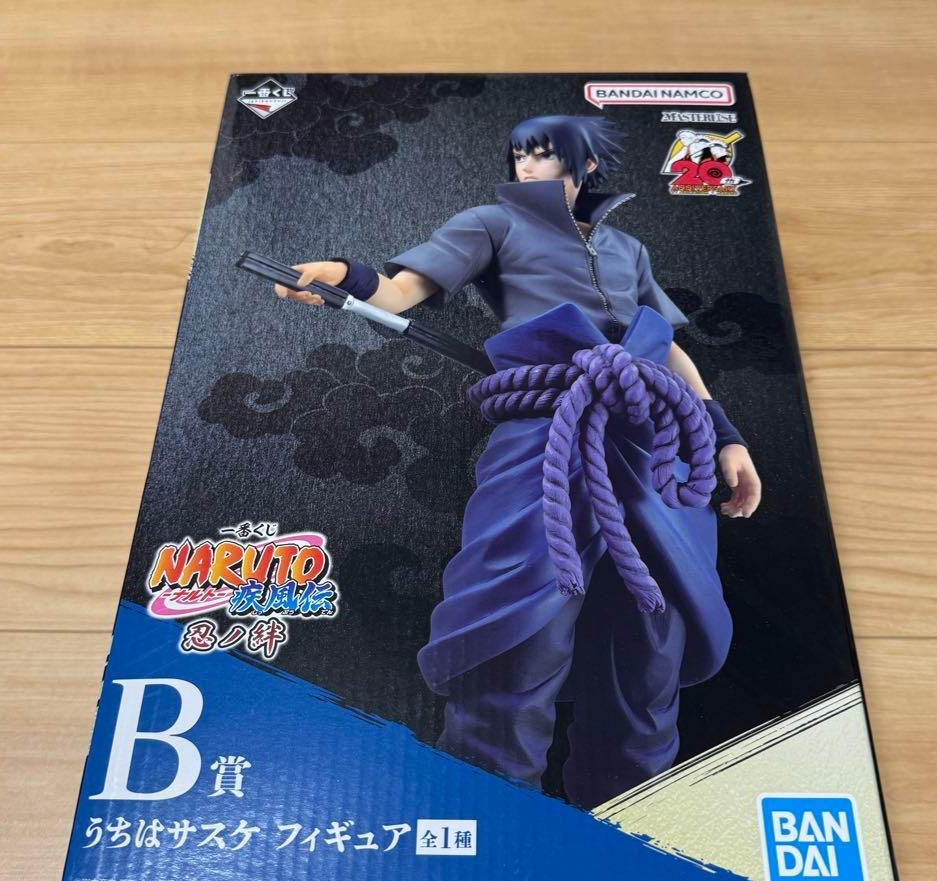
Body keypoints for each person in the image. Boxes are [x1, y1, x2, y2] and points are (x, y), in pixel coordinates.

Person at [276, 115, 762, 808]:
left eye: (545, 155)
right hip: (547, 434)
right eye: (520, 156)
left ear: (585, 165)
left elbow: (667, 347)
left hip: (654, 444)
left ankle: (633, 832)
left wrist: (724, 433)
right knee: (515, 638)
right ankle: (494, 824)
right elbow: (402, 291)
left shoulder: (627, 248)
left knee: (651, 648)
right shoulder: (492, 224)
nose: (528, 167)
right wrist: (346, 277)